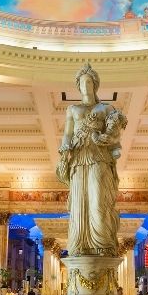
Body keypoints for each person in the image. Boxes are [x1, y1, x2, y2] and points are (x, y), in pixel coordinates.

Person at [56, 64, 127, 256]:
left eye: (89, 82)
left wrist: (113, 146)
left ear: (95, 84)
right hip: (78, 157)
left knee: (97, 200)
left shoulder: (106, 108)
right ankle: (79, 244)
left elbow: (114, 134)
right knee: (80, 203)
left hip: (98, 156)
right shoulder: (72, 109)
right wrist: (64, 149)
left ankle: (102, 244)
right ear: (78, 86)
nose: (85, 86)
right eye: (82, 82)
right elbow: (67, 134)